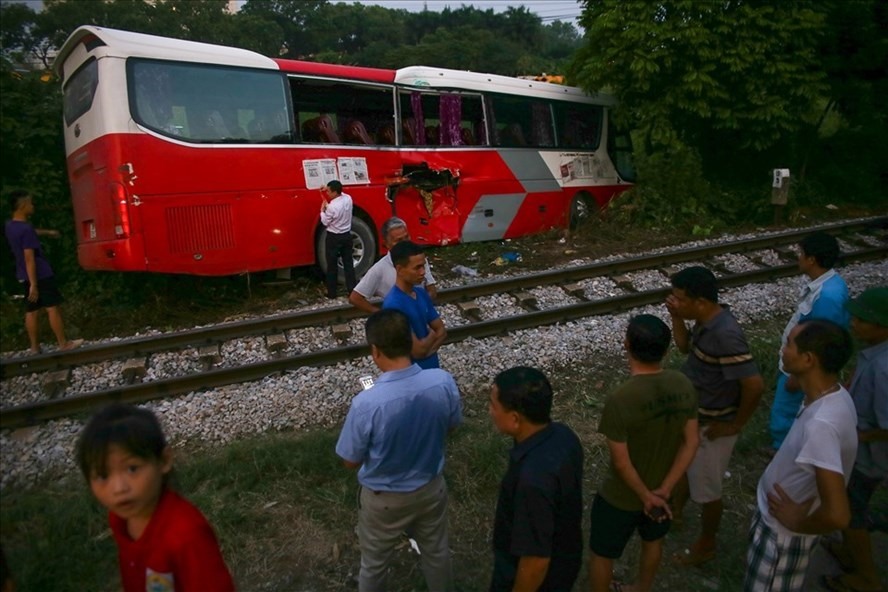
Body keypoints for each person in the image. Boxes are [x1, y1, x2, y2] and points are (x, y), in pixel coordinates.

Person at [335, 309, 462, 592]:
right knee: (437, 553)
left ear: (375, 351)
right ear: (409, 341)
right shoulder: (442, 381)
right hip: (431, 487)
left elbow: (349, 460)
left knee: (374, 563)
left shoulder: (366, 403)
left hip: (384, 500)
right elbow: (451, 426)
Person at [744, 319, 857, 592]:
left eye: (789, 344)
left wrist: (799, 522)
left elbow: (838, 515)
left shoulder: (822, 425)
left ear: (808, 360)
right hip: (778, 528)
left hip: (782, 540)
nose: (782, 349)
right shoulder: (832, 394)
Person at [589, 315, 699, 592]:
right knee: (653, 542)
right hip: (662, 491)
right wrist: (663, 490)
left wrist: (644, 496)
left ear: (626, 344)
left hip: (621, 496)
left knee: (603, 553)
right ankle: (642, 587)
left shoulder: (621, 398)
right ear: (666, 348)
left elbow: (622, 463)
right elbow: (691, 442)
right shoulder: (682, 384)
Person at [665, 265, 765, 566]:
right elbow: (684, 348)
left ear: (701, 302)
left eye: (680, 299)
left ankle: (706, 545)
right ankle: (676, 512)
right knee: (683, 464)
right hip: (697, 416)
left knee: (708, 490)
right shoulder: (705, 322)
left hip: (713, 425)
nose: (674, 302)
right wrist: (676, 316)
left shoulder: (726, 335)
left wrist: (734, 424)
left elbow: (754, 384)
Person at [75, 404, 235, 592]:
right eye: (102, 476)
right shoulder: (120, 519)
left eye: (132, 469)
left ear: (164, 460)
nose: (119, 488)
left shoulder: (186, 535)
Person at [488, 366, 584, 592]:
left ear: (515, 419)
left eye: (493, 405)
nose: (490, 411)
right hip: (566, 556)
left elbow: (535, 563)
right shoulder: (564, 435)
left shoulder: (532, 481)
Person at [822, 286, 888, 592]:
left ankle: (867, 577)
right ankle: (850, 551)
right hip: (859, 450)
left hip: (868, 458)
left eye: (863, 319)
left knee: (851, 510)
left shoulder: (884, 368)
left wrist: (856, 436)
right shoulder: (873, 352)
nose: (854, 323)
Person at [770, 231, 849, 450]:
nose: (799, 258)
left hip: (801, 369)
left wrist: (797, 375)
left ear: (812, 259)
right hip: (798, 364)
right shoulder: (827, 286)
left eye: (801, 254)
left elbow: (821, 343)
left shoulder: (827, 296)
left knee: (785, 415)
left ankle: (783, 454)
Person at [4, 190, 83, 354]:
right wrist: (34, 284)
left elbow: (30, 232)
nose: (33, 206)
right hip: (39, 274)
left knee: (31, 310)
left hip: (22, 274)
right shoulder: (25, 229)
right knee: (52, 307)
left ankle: (34, 347)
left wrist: (48, 232)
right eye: (30, 203)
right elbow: (29, 258)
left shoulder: (11, 226)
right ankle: (63, 343)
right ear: (23, 205)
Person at [349, 217, 438, 314]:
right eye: (399, 240)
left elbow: (431, 289)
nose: (405, 243)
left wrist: (422, 306)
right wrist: (383, 315)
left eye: (406, 237)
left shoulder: (419, 259)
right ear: (386, 244)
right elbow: (355, 298)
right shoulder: (379, 269)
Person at [382, 241, 446, 369]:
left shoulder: (421, 293)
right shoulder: (393, 305)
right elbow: (417, 351)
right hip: (413, 378)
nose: (423, 272)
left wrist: (426, 350)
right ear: (399, 269)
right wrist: (432, 335)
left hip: (431, 370)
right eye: (417, 268)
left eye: (423, 266)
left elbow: (442, 331)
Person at [320, 179, 356, 299]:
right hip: (346, 235)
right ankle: (351, 290)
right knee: (348, 264)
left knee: (332, 266)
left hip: (333, 237)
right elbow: (343, 194)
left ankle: (332, 292)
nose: (327, 193)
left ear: (335, 192)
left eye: (329, 191)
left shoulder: (332, 207)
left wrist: (322, 210)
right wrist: (327, 187)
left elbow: (325, 221)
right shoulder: (348, 199)